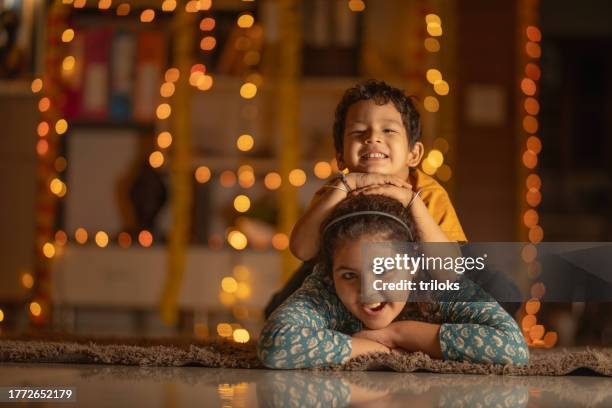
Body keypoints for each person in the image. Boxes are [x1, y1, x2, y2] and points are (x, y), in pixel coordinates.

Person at [265, 79, 466, 318]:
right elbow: (302, 249)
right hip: (343, 278)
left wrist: (412, 203)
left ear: (414, 154)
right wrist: (346, 186)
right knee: (279, 310)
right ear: (340, 157)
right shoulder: (336, 190)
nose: (373, 138)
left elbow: (449, 270)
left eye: (388, 130)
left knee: (489, 286)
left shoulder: (427, 193)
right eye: (359, 131)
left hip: (415, 284)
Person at [257, 195, 529, 369]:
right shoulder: (325, 287)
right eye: (349, 276)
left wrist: (396, 334)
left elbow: (513, 348)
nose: (368, 291)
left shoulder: (441, 284)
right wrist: (374, 348)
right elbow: (276, 343)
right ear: (331, 274)